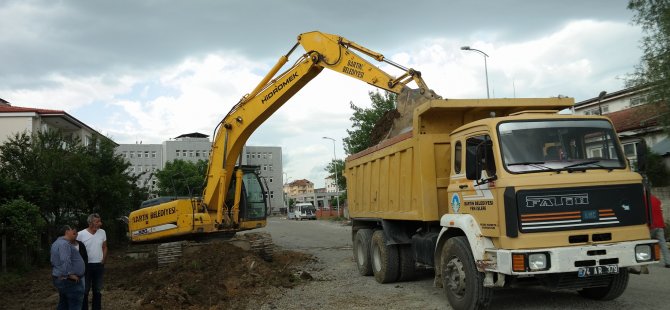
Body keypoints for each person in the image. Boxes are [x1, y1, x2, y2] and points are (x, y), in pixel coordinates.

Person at [51, 225, 86, 310]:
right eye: (71, 230)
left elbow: (53, 261)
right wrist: (70, 274)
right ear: (67, 232)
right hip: (69, 281)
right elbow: (64, 260)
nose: (73, 232)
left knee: (64, 304)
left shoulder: (56, 243)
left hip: (61, 279)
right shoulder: (64, 244)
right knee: (75, 305)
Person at [77, 214, 107, 310]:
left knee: (97, 290)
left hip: (99, 265)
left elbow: (105, 247)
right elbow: (75, 250)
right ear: (90, 223)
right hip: (86, 266)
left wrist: (104, 259)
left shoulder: (102, 232)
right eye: (97, 222)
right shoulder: (80, 234)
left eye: (100, 221)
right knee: (85, 290)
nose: (100, 224)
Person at [648, 194, 670, 268]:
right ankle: (668, 262)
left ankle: (645, 262)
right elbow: (660, 211)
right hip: (659, 225)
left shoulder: (642, 200)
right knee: (663, 244)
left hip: (650, 226)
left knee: (645, 244)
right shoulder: (657, 199)